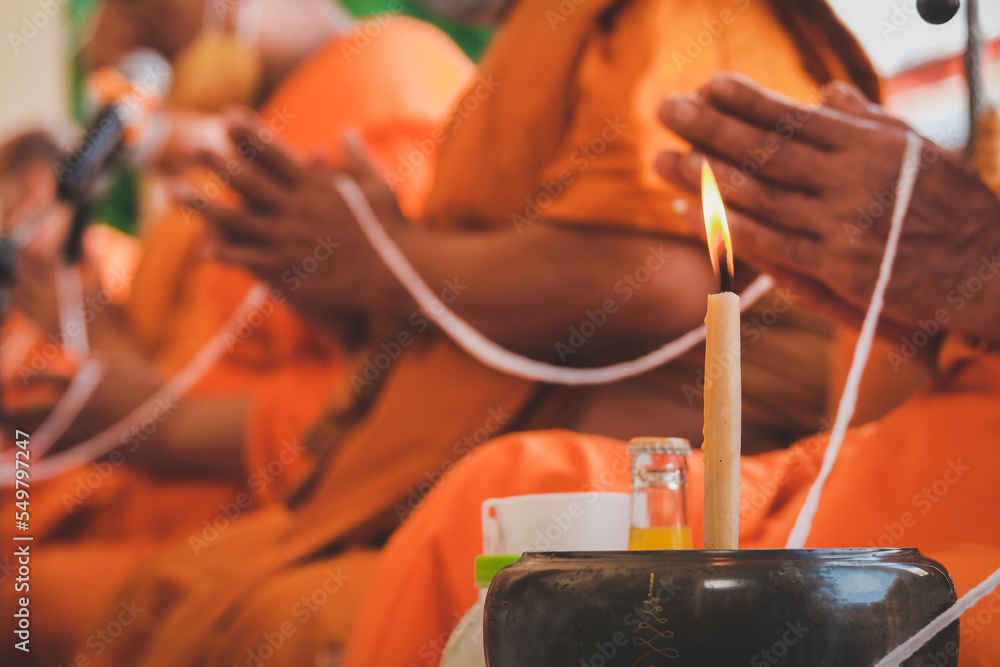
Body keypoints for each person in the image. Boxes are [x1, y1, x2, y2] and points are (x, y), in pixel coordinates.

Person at [81, 0, 900, 664]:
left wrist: (383, 261)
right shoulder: (528, 52)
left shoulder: (665, 15)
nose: (105, 39)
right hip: (385, 503)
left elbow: (657, 278)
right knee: (166, 602)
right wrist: (363, 286)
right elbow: (445, 336)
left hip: (602, 516)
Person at [342, 75, 1000, 666]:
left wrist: (983, 259)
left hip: (967, 548)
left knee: (855, 617)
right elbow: (884, 411)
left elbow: (652, 284)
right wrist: (920, 315)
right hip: (865, 475)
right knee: (498, 488)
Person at [0, 0, 471, 664]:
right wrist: (93, 330)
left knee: (28, 602)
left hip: (280, 531)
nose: (121, 39)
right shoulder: (259, 124)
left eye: (143, 17)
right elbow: (181, 358)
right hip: (159, 511)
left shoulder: (382, 99)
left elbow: (404, 401)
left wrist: (156, 425)